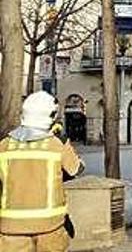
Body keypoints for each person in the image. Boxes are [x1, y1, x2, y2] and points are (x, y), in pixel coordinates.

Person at [0, 91, 85, 252]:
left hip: (11, 228)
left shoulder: (4, 145)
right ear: (51, 115)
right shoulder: (55, 144)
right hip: (50, 226)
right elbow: (76, 169)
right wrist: (64, 140)